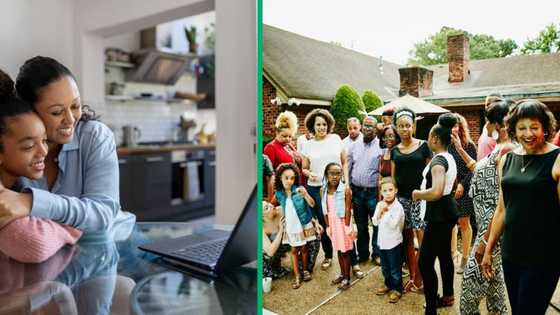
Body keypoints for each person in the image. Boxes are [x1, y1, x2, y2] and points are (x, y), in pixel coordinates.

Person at [0, 56, 135, 236]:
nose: (71, 119)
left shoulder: (94, 136)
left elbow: (103, 215)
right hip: (60, 253)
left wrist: (31, 202)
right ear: (31, 111)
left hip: (115, 245)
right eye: (57, 112)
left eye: (75, 105)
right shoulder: (13, 147)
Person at [482, 99, 560, 315]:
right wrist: (489, 249)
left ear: (545, 128)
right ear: (513, 129)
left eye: (534, 127)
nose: (528, 133)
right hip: (511, 253)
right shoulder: (506, 159)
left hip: (543, 257)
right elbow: (502, 209)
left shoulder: (557, 159)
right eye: (522, 128)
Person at [0, 70, 81, 263]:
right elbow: (34, 244)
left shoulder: (17, 183)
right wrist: (69, 230)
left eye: (45, 141)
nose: (44, 152)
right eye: (28, 146)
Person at [460, 99, 514, 315]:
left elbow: (503, 200)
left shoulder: (507, 149)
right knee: (494, 286)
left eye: (487, 122)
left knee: (468, 294)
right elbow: (481, 170)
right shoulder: (501, 148)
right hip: (486, 226)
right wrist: (460, 150)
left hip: (491, 231)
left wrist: (485, 242)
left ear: (497, 124)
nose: (486, 127)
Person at [412, 113, 458, 315]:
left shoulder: (438, 161)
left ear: (436, 139)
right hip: (447, 210)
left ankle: (431, 308)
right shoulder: (450, 156)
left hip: (439, 214)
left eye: (430, 136)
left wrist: (417, 194)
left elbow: (437, 191)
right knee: (444, 255)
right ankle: (448, 295)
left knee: (425, 262)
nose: (428, 140)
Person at [301, 109, 349, 270]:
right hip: (316, 189)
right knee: (324, 223)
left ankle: (351, 258)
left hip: (337, 188)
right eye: (318, 125)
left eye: (324, 124)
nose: (321, 127)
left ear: (328, 125)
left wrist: (346, 182)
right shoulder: (307, 145)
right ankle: (328, 255)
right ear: (312, 127)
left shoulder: (336, 139)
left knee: (344, 222)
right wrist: (310, 174)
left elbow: (344, 162)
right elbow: (304, 168)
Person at [391, 107, 431, 292]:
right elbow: (393, 178)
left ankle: (422, 278)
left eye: (408, 125)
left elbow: (431, 172)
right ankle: (414, 276)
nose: (405, 129)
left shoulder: (424, 146)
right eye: (401, 126)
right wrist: (391, 200)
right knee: (407, 240)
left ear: (413, 126)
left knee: (422, 241)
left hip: (420, 199)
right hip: (402, 200)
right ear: (396, 128)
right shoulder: (394, 151)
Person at [273, 163, 317, 289]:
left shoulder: (299, 190)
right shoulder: (279, 194)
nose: (289, 181)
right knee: (293, 250)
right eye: (286, 178)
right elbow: (272, 206)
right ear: (280, 178)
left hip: (302, 223)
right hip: (290, 226)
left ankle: (305, 271)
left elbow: (312, 204)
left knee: (304, 248)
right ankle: (297, 275)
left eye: (292, 178)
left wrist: (306, 195)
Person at [347, 116, 382, 264]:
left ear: (376, 129)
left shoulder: (382, 146)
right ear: (362, 127)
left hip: (373, 192)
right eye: (366, 126)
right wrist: (347, 186)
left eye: (371, 126)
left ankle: (377, 254)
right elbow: (348, 168)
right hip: (357, 192)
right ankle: (363, 254)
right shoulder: (354, 146)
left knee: (377, 224)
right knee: (361, 226)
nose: (368, 129)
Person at [448, 113, 477, 274]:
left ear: (461, 127)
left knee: (464, 223)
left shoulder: (469, 145)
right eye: (451, 126)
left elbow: (473, 169)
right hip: (449, 189)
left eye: (456, 125)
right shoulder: (445, 145)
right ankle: (453, 253)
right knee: (451, 223)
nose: (453, 129)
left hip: (464, 190)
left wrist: (462, 185)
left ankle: (465, 258)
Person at [322, 163, 355, 290]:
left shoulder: (345, 190)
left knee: (345, 251)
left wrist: (347, 226)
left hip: (342, 223)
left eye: (338, 173)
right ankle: (342, 274)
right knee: (339, 251)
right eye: (332, 173)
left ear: (341, 175)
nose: (335, 176)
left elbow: (347, 209)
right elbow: (325, 210)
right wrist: (328, 226)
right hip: (333, 223)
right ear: (327, 175)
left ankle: (347, 278)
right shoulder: (323, 190)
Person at [373, 177, 405, 303]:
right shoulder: (379, 204)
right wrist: (380, 211)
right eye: (385, 190)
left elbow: (394, 225)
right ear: (381, 192)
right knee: (385, 267)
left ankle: (397, 288)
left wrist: (386, 212)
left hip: (394, 243)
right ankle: (388, 284)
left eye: (390, 190)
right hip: (382, 242)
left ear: (396, 190)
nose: (387, 193)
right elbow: (375, 222)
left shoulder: (398, 207)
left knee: (394, 268)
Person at [262, 201, 289, 279]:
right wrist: (281, 229)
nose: (271, 205)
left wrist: (315, 221)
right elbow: (270, 252)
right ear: (263, 216)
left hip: (283, 246)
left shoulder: (281, 210)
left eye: (268, 203)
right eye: (266, 208)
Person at [477, 93, 503, 161]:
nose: (487, 107)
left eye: (490, 104)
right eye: (486, 105)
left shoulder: (503, 128)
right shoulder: (486, 126)